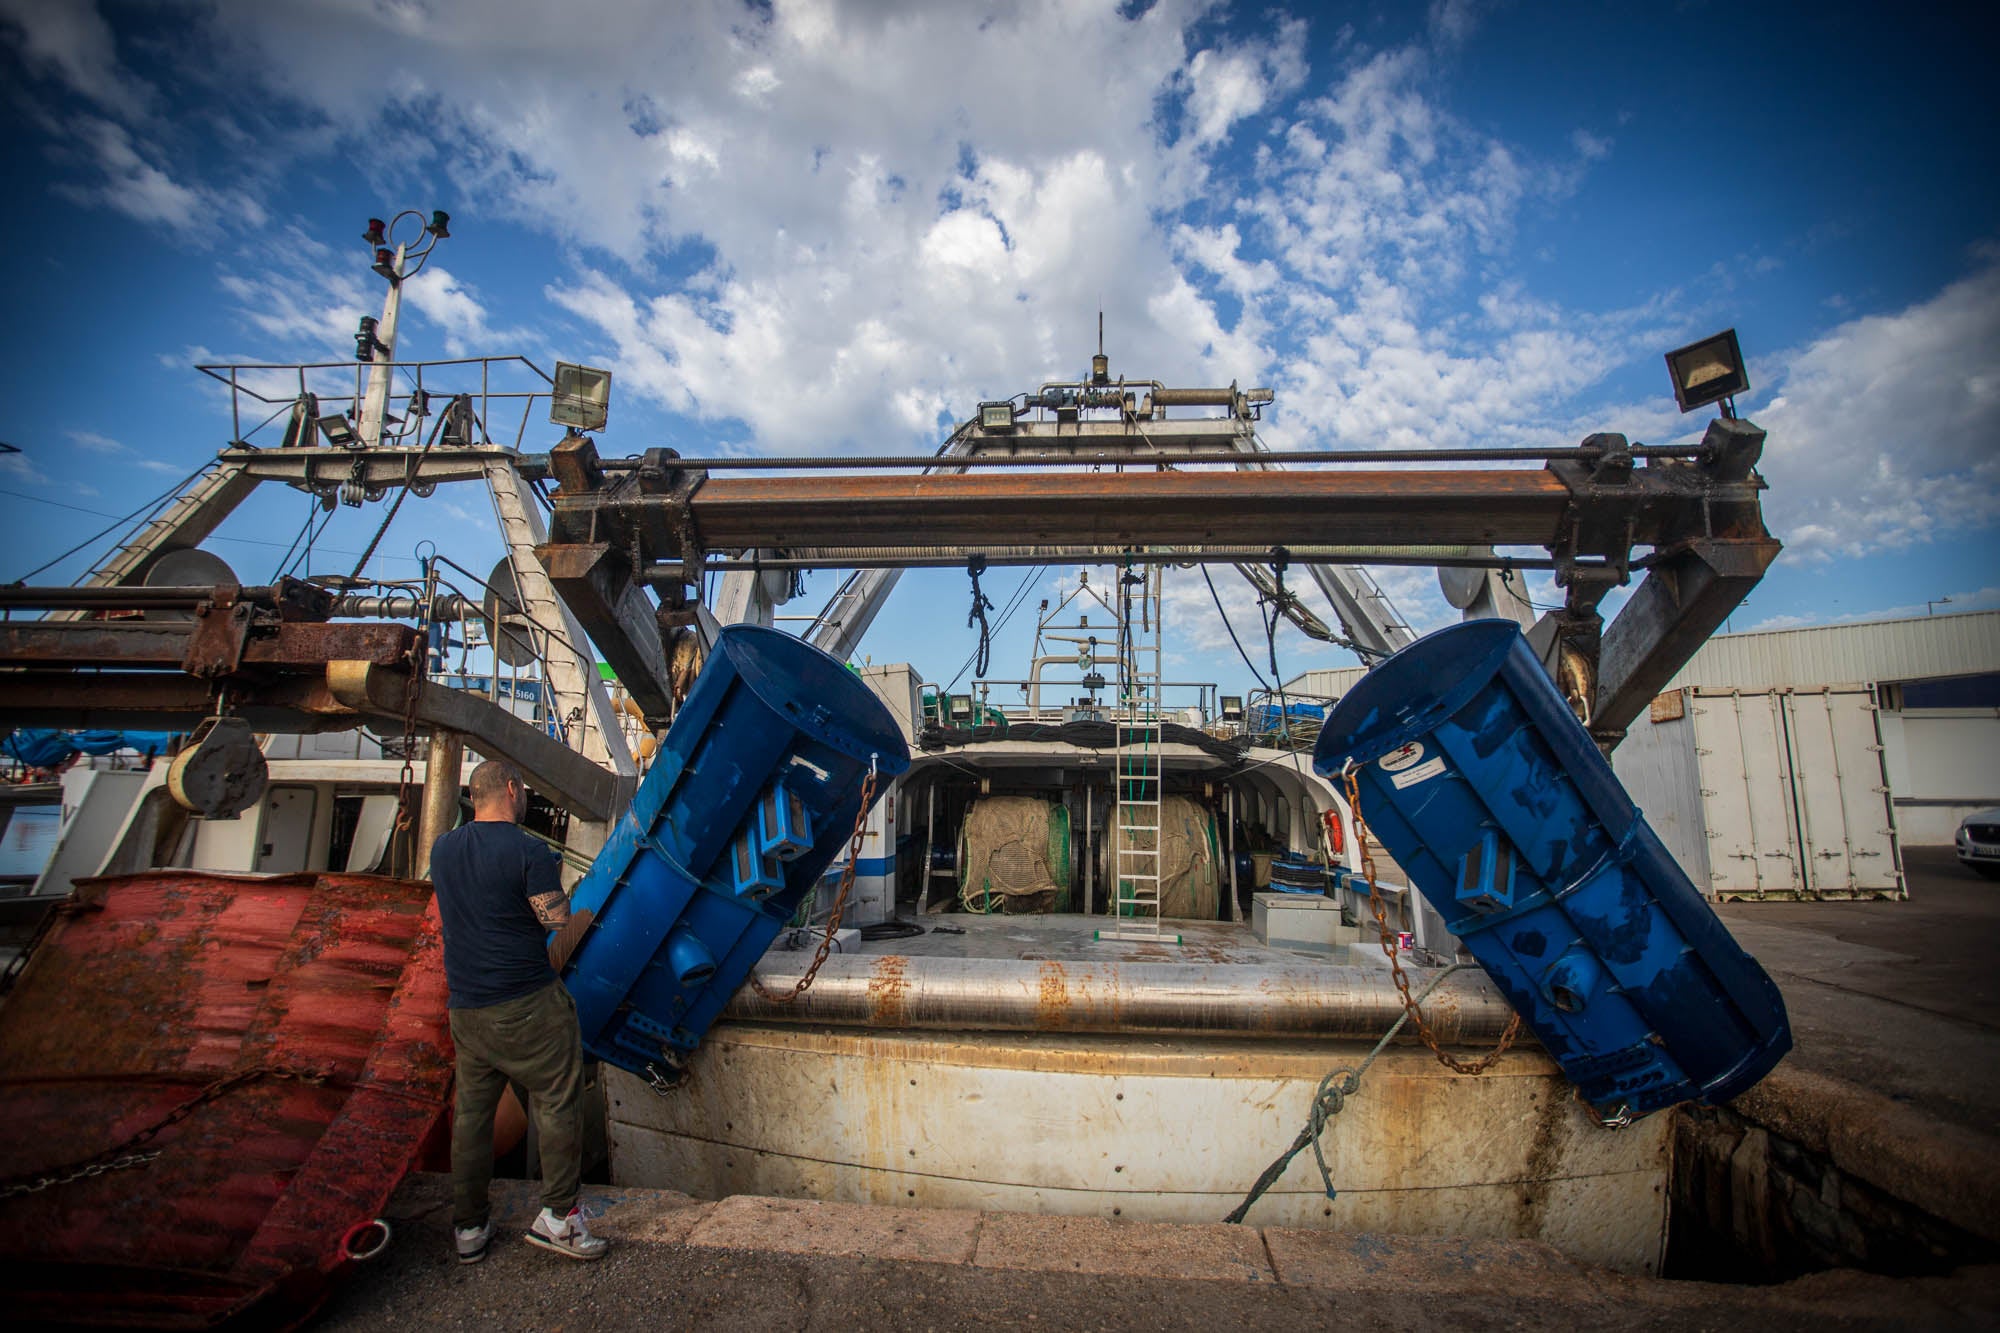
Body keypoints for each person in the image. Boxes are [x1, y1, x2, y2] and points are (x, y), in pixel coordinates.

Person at [430, 757, 607, 1264]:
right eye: (523, 789)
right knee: (557, 1101)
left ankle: (468, 1226)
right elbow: (555, 920)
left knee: (472, 1118)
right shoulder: (529, 849)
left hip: (467, 1007)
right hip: (526, 1003)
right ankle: (559, 1219)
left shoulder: (444, 849)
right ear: (511, 789)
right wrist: (558, 904)